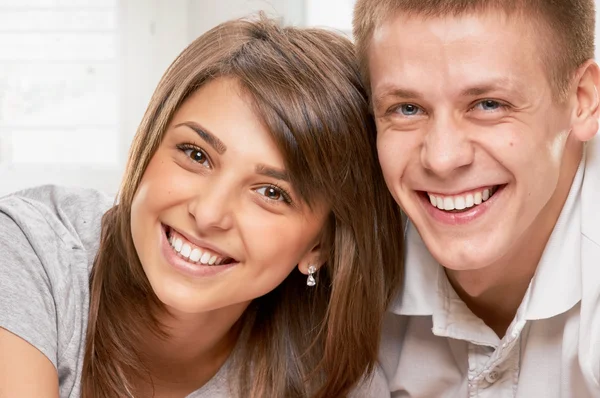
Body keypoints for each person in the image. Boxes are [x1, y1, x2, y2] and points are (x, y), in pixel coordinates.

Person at [0, 16, 403, 398]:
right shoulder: (28, 253)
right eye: (196, 154)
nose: (209, 214)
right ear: (151, 140)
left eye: (272, 193)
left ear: (319, 246)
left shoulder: (329, 373)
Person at [353, 0, 600, 396]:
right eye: (407, 108)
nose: (442, 158)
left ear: (582, 99)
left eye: (489, 104)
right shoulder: (339, 257)